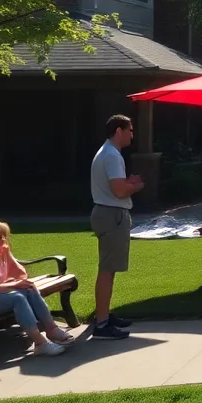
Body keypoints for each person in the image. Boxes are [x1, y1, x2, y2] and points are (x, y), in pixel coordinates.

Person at [0, 221, 74, 356]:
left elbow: (21, 274)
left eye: (5, 236)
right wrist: (15, 285)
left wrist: (9, 256)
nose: (4, 240)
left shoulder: (0, 255)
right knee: (17, 298)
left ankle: (52, 329)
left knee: (29, 287)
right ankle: (40, 343)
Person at [89, 114, 144, 340]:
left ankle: (104, 315)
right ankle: (102, 324)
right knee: (107, 269)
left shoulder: (108, 153)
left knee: (109, 269)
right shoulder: (112, 155)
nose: (132, 134)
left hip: (108, 213)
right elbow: (119, 191)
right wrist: (137, 185)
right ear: (118, 131)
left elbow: (117, 186)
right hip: (111, 215)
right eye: (130, 130)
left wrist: (127, 183)